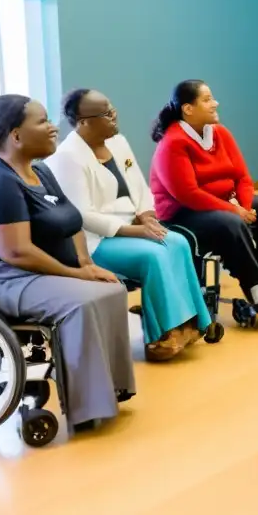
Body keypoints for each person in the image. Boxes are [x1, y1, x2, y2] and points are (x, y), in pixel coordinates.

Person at [0, 95, 135, 432]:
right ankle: (86, 405)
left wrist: (87, 265)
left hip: (44, 271)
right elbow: (16, 252)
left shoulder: (40, 170)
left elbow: (72, 222)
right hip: (10, 278)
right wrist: (75, 274)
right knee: (83, 303)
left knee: (112, 287)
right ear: (15, 136)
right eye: (42, 121)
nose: (53, 127)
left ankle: (111, 387)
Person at [46, 89, 212, 362]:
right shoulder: (67, 157)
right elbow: (81, 214)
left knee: (178, 242)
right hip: (95, 240)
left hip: (132, 224)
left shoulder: (119, 142)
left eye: (112, 109)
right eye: (105, 114)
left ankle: (190, 324)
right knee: (153, 254)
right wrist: (135, 230)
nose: (114, 116)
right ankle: (162, 336)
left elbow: (139, 185)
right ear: (83, 121)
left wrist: (146, 215)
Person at [149, 80, 258, 312]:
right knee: (230, 222)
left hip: (223, 205)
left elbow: (243, 177)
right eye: (207, 100)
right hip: (183, 214)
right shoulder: (172, 143)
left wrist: (244, 206)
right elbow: (188, 194)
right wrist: (235, 211)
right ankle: (255, 285)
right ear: (188, 109)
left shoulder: (220, 133)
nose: (215, 103)